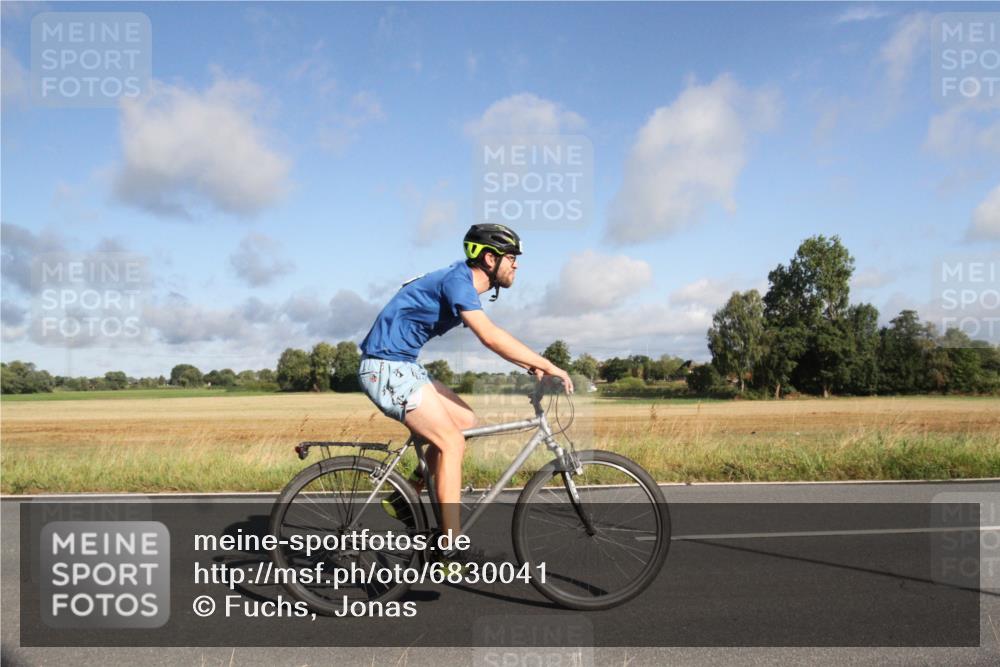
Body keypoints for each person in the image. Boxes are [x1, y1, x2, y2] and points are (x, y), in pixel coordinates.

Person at [357, 223, 573, 549]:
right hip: (385, 368)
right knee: (451, 444)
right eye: (511, 257)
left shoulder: (460, 281)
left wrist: (532, 366)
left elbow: (492, 337)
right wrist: (546, 364)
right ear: (489, 258)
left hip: (402, 365)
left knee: (465, 422)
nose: (517, 264)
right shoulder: (458, 281)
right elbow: (489, 335)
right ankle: (450, 549)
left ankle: (408, 493)